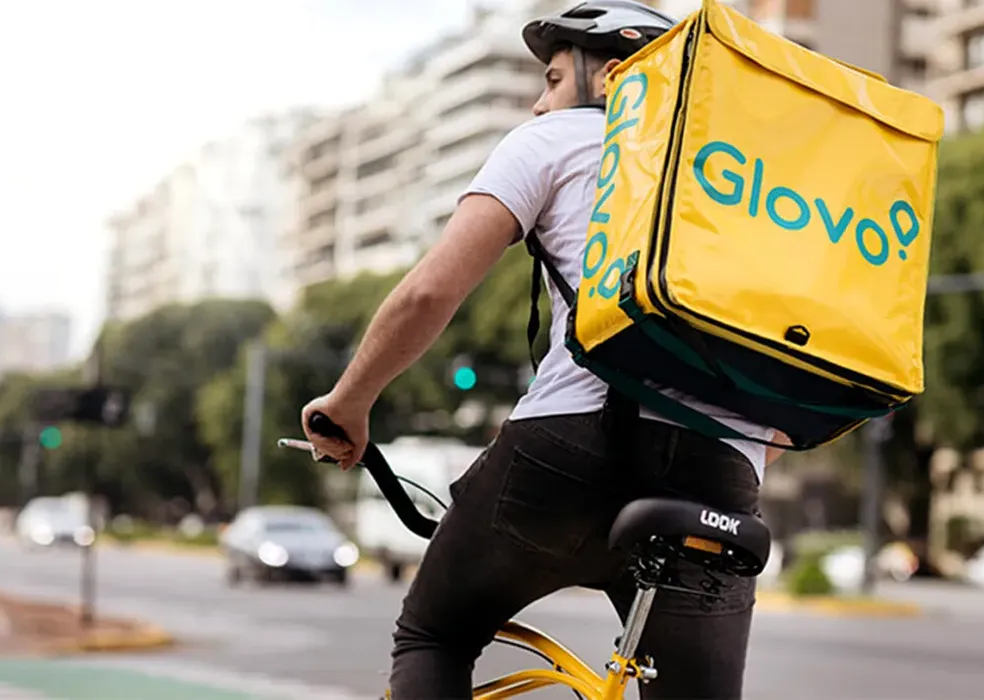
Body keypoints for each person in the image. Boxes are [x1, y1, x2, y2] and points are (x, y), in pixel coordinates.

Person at [300, 1, 787, 697]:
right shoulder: (757, 184)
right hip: (722, 474)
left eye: (553, 80)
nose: (538, 104)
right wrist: (740, 451)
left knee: (436, 634)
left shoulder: (556, 139)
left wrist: (349, 402)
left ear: (613, 78)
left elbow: (427, 294)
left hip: (572, 448)